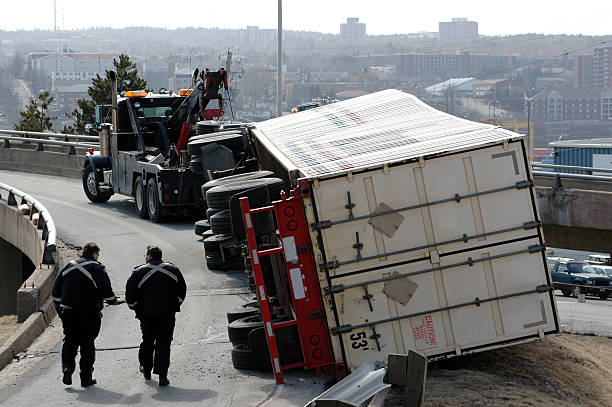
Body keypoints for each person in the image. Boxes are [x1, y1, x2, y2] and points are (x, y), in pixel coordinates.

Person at [52, 242, 121, 387]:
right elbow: (105, 288)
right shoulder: (96, 267)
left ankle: (67, 368)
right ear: (95, 254)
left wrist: (61, 312)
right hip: (89, 313)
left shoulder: (68, 266)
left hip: (69, 312)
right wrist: (112, 300)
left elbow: (56, 292)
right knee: (87, 344)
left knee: (70, 340)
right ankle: (86, 377)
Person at [125, 245, 186, 387]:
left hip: (146, 315)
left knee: (147, 341)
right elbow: (182, 291)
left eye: (146, 256)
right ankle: (163, 376)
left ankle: (146, 369)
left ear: (149, 256)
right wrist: (174, 305)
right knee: (164, 343)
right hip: (167, 314)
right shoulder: (173, 269)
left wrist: (136, 308)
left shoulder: (138, 272)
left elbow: (130, 295)